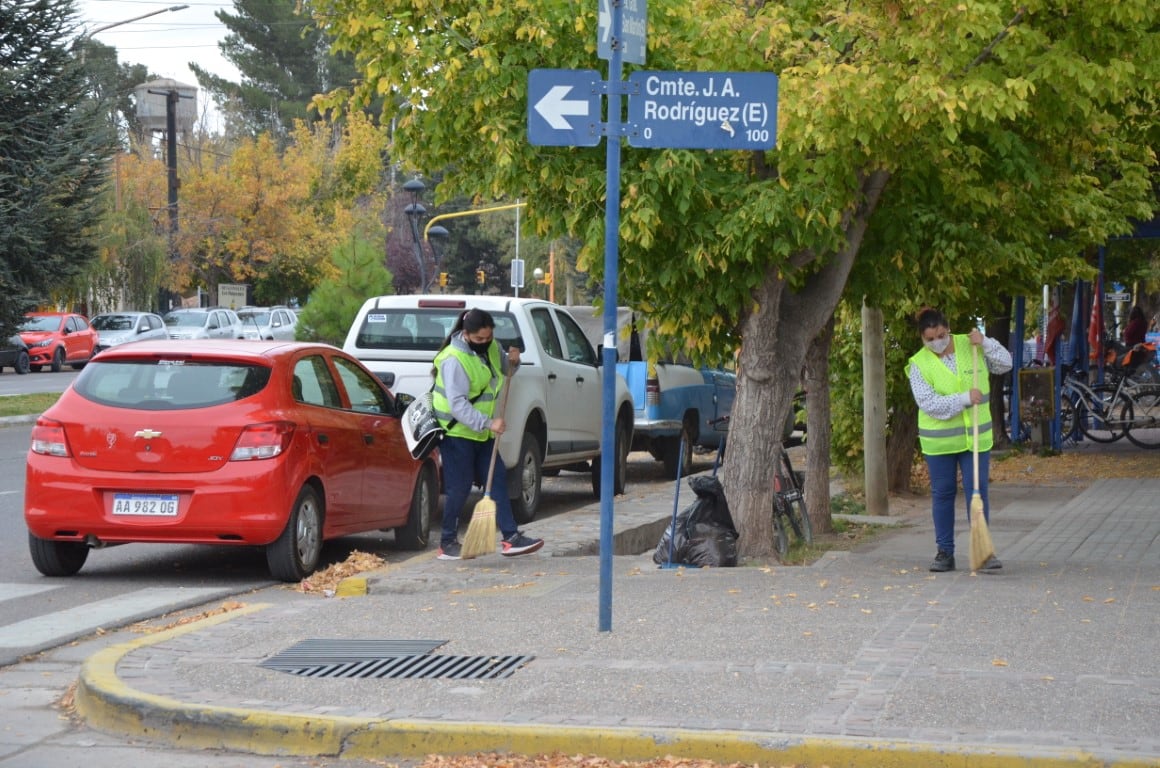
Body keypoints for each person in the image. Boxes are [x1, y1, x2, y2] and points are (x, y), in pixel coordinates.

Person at [431, 308, 543, 560]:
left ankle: (511, 538)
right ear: (466, 334)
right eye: (479, 340)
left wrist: (514, 360)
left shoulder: (492, 347)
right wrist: (488, 423)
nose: (484, 343)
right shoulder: (454, 359)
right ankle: (447, 542)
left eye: (488, 338)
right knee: (459, 488)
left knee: (498, 480)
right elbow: (457, 404)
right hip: (457, 433)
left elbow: (506, 370)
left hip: (480, 434)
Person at [906, 308, 1013, 573]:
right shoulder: (919, 363)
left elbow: (1006, 363)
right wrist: (964, 399)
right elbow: (928, 403)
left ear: (948, 328)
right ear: (922, 338)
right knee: (943, 495)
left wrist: (986, 343)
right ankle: (944, 552)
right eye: (930, 339)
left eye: (941, 335)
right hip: (939, 444)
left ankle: (984, 552)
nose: (937, 342)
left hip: (976, 438)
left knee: (977, 493)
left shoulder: (972, 345)